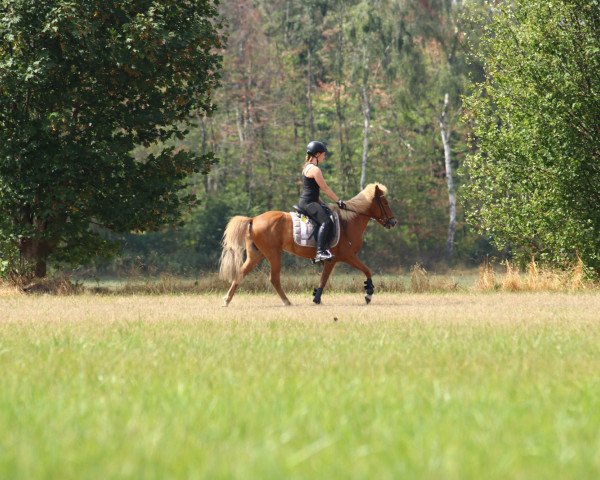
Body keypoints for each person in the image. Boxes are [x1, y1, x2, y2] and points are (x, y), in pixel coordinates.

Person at [299, 141, 346, 262]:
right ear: (318, 154)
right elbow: (325, 188)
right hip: (309, 203)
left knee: (324, 217)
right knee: (327, 222)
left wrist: (322, 203)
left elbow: (312, 190)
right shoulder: (315, 170)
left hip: (309, 201)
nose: (324, 157)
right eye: (324, 155)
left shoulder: (306, 167)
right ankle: (320, 252)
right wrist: (338, 201)